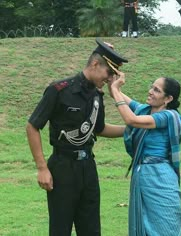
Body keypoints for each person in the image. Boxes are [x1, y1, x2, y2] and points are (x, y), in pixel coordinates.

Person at [26, 38, 128, 236]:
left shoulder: (97, 96)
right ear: (95, 64)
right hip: (62, 167)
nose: (109, 79)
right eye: (109, 72)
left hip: (88, 167)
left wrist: (132, 129)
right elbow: (32, 126)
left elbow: (98, 129)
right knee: (60, 229)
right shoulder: (59, 90)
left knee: (91, 229)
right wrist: (41, 168)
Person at [109, 70, 181, 236]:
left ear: (168, 99)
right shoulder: (145, 109)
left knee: (166, 226)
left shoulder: (167, 116)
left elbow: (131, 120)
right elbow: (119, 96)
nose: (150, 91)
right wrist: (113, 80)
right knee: (143, 227)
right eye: (152, 87)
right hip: (143, 175)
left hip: (160, 176)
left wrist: (116, 90)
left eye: (157, 90)